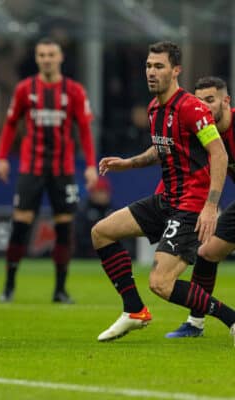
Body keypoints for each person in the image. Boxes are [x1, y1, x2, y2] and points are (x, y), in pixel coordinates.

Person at [92, 41, 235, 343]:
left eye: (159, 66)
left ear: (176, 70)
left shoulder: (192, 108)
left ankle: (230, 319)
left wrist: (210, 206)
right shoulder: (155, 108)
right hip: (166, 200)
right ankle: (134, 310)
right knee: (101, 232)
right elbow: (162, 149)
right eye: (148, 65)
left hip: (190, 205)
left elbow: (219, 153)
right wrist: (127, 163)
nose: (152, 72)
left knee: (161, 282)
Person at [0, 37, 98, 304]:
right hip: (31, 169)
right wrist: (2, 157)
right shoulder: (24, 89)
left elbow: (85, 130)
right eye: (42, 55)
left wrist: (89, 165)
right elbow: (9, 124)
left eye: (51, 54)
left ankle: (60, 290)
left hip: (62, 171)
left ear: (60, 57)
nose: (47, 59)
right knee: (20, 226)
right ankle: (8, 287)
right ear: (37, 58)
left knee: (64, 228)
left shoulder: (74, 90)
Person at [165, 76, 235, 338]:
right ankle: (195, 323)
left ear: (226, 101)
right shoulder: (204, 133)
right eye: (199, 102)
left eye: (210, 100)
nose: (204, 107)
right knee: (206, 253)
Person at [74, 176, 114, 258]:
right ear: (92, 193)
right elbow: (79, 235)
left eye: (105, 191)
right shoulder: (83, 210)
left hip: (110, 252)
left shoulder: (113, 211)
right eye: (100, 191)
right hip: (86, 254)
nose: (103, 195)